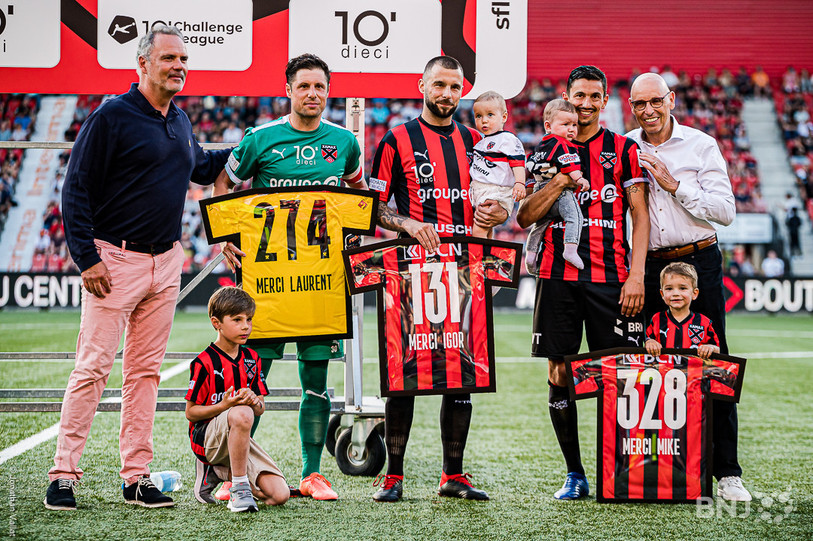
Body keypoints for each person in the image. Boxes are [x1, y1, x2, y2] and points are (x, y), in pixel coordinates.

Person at [45, 25, 230, 510]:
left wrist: (260, 143)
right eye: (169, 57)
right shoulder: (111, 116)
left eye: (183, 59)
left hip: (166, 261)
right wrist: (86, 258)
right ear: (142, 64)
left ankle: (136, 476)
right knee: (92, 369)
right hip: (115, 260)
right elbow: (76, 188)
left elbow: (203, 168)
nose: (179, 66)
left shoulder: (181, 121)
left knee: (145, 374)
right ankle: (63, 474)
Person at [212, 53, 366, 501]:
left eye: (320, 87)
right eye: (304, 86)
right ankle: (235, 475)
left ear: (328, 91)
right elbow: (223, 183)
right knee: (252, 381)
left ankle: (312, 473)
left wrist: (353, 233)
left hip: (321, 281)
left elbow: (360, 190)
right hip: (268, 286)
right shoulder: (261, 139)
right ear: (289, 90)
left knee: (315, 379)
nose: (313, 94)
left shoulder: (344, 142)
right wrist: (226, 234)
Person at [368, 55, 509, 502]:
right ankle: (393, 475)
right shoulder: (396, 139)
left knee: (462, 373)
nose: (447, 94)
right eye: (439, 85)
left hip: (466, 272)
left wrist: (497, 210)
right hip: (409, 272)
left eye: (455, 87)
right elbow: (375, 206)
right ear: (422, 85)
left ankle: (454, 475)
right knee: (404, 372)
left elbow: (496, 200)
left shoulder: (479, 141)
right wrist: (408, 224)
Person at [516, 65, 649, 500]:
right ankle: (575, 474)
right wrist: (558, 180)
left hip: (612, 279)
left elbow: (640, 216)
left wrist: (636, 274)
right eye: (579, 97)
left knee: (623, 374)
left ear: (606, 98)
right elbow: (525, 217)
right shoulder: (549, 149)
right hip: (558, 276)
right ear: (566, 97)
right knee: (559, 370)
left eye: (595, 96)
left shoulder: (623, 149)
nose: (586, 104)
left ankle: (621, 472)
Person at [627, 72, 751, 501]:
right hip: (647, 263)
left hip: (699, 258)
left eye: (655, 101)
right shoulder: (625, 145)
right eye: (639, 104)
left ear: (671, 99)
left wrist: (674, 185)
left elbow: (725, 211)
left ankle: (728, 472)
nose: (648, 111)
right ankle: (658, 466)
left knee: (713, 361)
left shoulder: (700, 144)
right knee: (649, 363)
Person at [187, 287, 289, 512]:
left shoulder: (252, 358)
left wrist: (254, 400)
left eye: (249, 319)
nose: (245, 326)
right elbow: (191, 413)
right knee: (242, 413)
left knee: (279, 495)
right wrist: (224, 406)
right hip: (206, 439)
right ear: (217, 323)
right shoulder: (204, 362)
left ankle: (216, 472)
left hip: (236, 432)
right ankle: (239, 489)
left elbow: (260, 408)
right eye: (237, 319)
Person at [524, 99, 591, 272]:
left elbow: (530, 166)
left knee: (540, 226)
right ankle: (570, 249)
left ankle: (530, 254)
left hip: (540, 190)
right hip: (561, 193)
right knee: (575, 217)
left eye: (574, 125)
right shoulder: (563, 144)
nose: (571, 129)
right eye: (565, 124)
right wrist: (580, 179)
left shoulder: (540, 145)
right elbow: (569, 163)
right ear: (548, 125)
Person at [468, 91, 526, 238]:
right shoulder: (481, 141)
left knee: (479, 228)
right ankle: (488, 257)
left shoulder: (507, 139)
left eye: (490, 115)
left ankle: (478, 258)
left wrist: (520, 182)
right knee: (487, 228)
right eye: (478, 116)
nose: (484, 120)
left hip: (495, 190)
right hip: (482, 189)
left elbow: (518, 161)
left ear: (504, 117)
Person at [645, 262, 720, 359]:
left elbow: (717, 349)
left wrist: (710, 348)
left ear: (694, 293)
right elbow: (647, 339)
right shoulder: (657, 319)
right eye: (669, 289)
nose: (675, 293)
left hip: (693, 373)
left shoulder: (704, 322)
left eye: (682, 288)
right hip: (664, 372)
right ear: (662, 294)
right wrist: (650, 342)